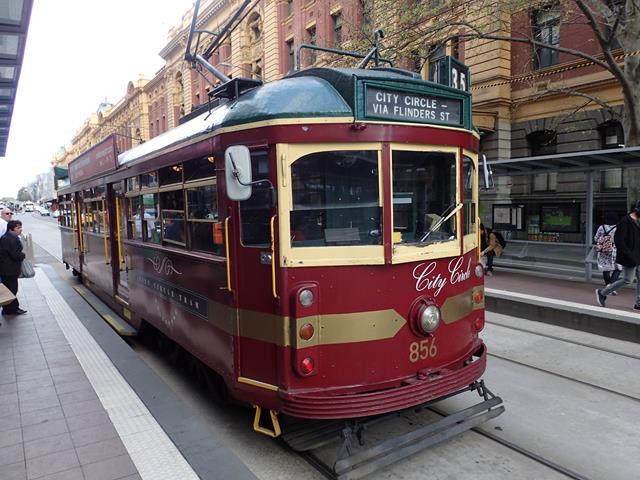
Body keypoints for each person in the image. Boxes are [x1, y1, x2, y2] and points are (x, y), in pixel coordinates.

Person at [596, 201, 640, 310]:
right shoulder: (625, 221)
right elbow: (619, 240)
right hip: (630, 256)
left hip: (638, 254)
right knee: (627, 279)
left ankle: (639, 303)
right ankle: (603, 292)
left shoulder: (638, 221)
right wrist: (628, 254)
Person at [0, 220, 27, 315]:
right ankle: (12, 309)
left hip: (6, 269)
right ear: (11, 229)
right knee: (12, 289)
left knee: (10, 289)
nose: (20, 229)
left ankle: (9, 309)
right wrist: (23, 255)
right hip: (9, 270)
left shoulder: (7, 237)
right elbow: (15, 255)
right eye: (18, 228)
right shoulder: (10, 239)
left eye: (20, 227)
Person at [594, 211, 622, 295]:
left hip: (603, 251)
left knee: (605, 268)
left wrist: (604, 241)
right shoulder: (618, 228)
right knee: (618, 268)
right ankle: (611, 286)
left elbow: (596, 238)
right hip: (614, 250)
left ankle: (608, 286)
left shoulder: (601, 227)